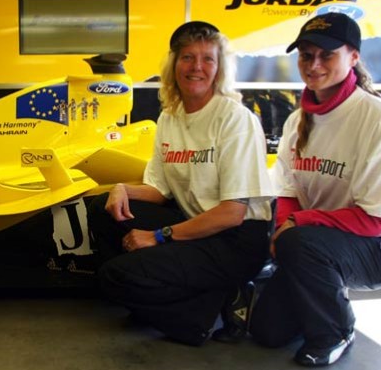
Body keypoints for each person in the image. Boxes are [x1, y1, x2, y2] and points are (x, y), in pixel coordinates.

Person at [87, 21, 274, 346]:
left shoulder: (234, 119)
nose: (196, 67)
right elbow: (159, 192)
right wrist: (121, 188)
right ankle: (213, 292)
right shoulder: (170, 117)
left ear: (219, 69)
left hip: (236, 239)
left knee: (115, 276)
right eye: (187, 57)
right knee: (101, 210)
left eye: (207, 59)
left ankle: (196, 316)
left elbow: (231, 213)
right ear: (174, 65)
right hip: (195, 225)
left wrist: (158, 237)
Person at [250, 12, 381, 367]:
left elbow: (372, 222)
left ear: (353, 57)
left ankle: (338, 330)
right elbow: (287, 191)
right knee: (267, 333)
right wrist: (284, 226)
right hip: (318, 241)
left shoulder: (378, 121)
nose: (314, 65)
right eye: (306, 55)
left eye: (327, 55)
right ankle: (321, 292)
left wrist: (296, 225)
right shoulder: (298, 121)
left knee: (299, 242)